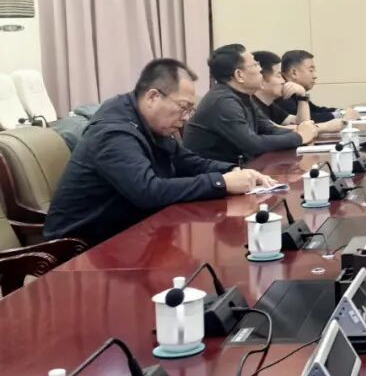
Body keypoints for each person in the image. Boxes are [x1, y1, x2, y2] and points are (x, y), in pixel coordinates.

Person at [42, 59, 275, 246]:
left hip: (129, 232)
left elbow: (186, 161)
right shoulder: (113, 134)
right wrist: (221, 183)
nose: (185, 119)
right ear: (153, 96)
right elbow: (148, 191)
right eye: (183, 108)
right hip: (83, 248)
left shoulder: (147, 121)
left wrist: (235, 171)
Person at [184, 45, 318, 163]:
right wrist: (299, 137)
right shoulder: (223, 101)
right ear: (239, 75)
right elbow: (253, 144)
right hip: (215, 174)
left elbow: (269, 129)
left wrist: (302, 131)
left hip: (238, 169)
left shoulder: (243, 96)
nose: (260, 69)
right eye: (255, 65)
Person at [275, 50, 353, 135]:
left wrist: (342, 112)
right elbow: (304, 123)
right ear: (294, 73)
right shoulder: (281, 96)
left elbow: (314, 110)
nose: (315, 76)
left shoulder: (295, 93)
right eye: (311, 70)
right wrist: (340, 115)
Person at [251, 50, 310, 127]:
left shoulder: (270, 105)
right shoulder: (250, 107)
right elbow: (301, 128)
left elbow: (302, 124)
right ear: (261, 80)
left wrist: (302, 97)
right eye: (278, 75)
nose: (283, 81)